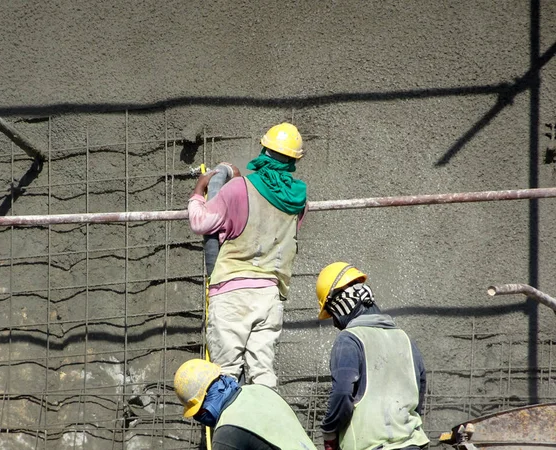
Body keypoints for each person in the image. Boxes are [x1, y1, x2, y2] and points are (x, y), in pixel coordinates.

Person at [187, 123, 307, 388]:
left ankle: (230, 428)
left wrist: (198, 193)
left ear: (264, 149)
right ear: (293, 160)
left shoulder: (238, 188)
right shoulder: (299, 199)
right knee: (263, 377)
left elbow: (201, 223)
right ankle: (261, 427)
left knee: (226, 376)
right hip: (269, 295)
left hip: (231, 294)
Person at [315, 262, 429, 450]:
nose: (335, 323)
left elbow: (342, 392)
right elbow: (419, 390)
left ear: (340, 304)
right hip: (413, 444)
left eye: (332, 314)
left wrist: (329, 431)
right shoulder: (405, 339)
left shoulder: (349, 340)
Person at [174, 358, 317, 450]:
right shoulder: (261, 391)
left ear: (204, 401)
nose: (199, 418)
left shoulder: (227, 432)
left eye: (198, 412)